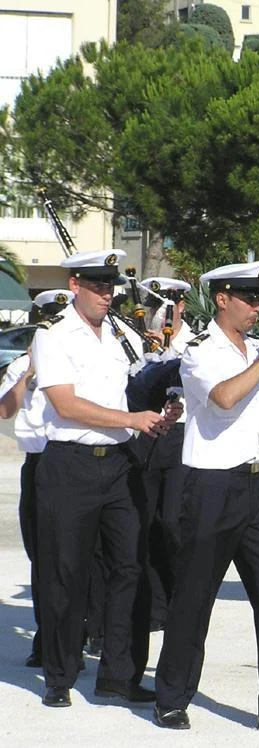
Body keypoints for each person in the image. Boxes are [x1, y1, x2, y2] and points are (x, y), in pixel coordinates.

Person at [152, 260, 259, 733]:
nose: (257, 308)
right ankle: (171, 696)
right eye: (249, 299)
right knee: (194, 596)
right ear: (222, 299)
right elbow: (224, 399)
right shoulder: (199, 350)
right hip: (210, 485)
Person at [31, 250, 179, 708]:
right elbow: (66, 406)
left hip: (119, 463)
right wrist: (130, 418)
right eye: (97, 286)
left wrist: (158, 417)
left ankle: (121, 674)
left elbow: (129, 395)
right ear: (75, 286)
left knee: (131, 568)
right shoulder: (53, 338)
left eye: (109, 287)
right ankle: (60, 675)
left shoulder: (118, 337)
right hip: (69, 465)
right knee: (67, 572)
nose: (106, 295)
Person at [0, 290, 72, 668]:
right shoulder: (21, 367)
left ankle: (82, 633)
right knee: (43, 557)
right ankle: (47, 638)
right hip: (40, 464)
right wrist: (27, 373)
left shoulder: (80, 357)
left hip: (75, 461)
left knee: (81, 556)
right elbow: (5, 410)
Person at [134, 277, 195, 629]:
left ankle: (179, 597)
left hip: (181, 436)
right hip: (145, 435)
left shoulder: (195, 344)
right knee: (145, 523)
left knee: (173, 521)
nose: (159, 315)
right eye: (154, 306)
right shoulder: (137, 342)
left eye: (167, 307)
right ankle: (155, 606)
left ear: (181, 307)